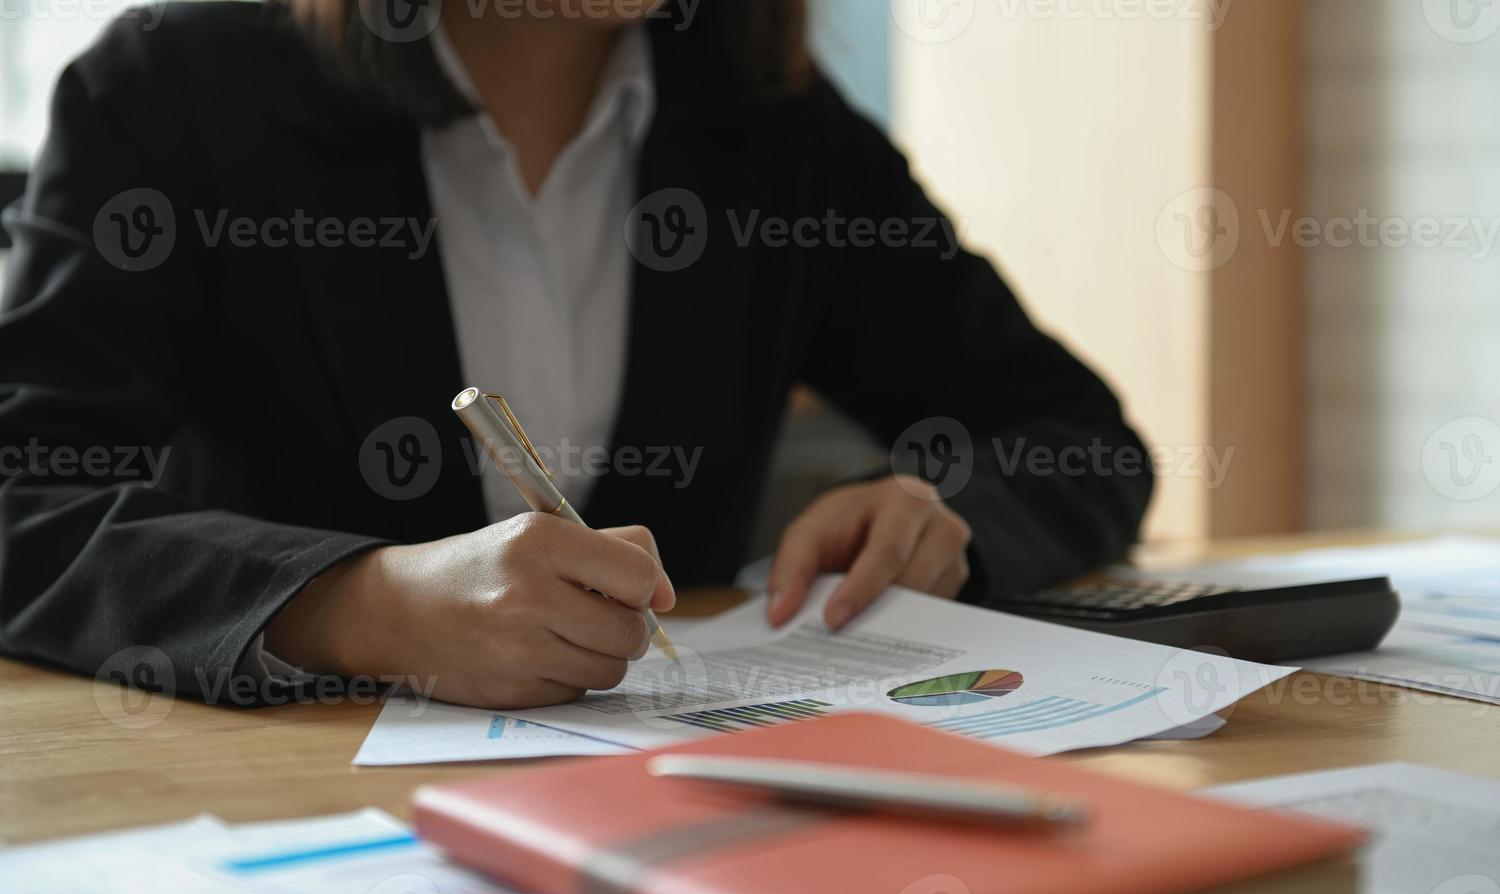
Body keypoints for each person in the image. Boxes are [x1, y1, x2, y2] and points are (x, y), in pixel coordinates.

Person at [0, 0, 1152, 709]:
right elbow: (23, 495)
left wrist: (940, 510)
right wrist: (362, 604)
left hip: (663, 836)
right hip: (274, 832)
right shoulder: (169, 93)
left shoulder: (776, 133)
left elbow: (1078, 435)